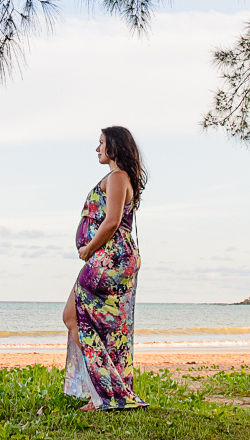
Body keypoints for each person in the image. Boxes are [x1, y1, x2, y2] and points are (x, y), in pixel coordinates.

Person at [62, 126, 149, 410]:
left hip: (109, 258)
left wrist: (88, 248)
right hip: (117, 258)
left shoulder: (117, 176)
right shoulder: (120, 177)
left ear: (113, 146)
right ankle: (104, 393)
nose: (97, 149)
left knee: (73, 317)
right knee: (109, 327)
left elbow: (111, 221)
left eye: (101, 143)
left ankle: (104, 394)